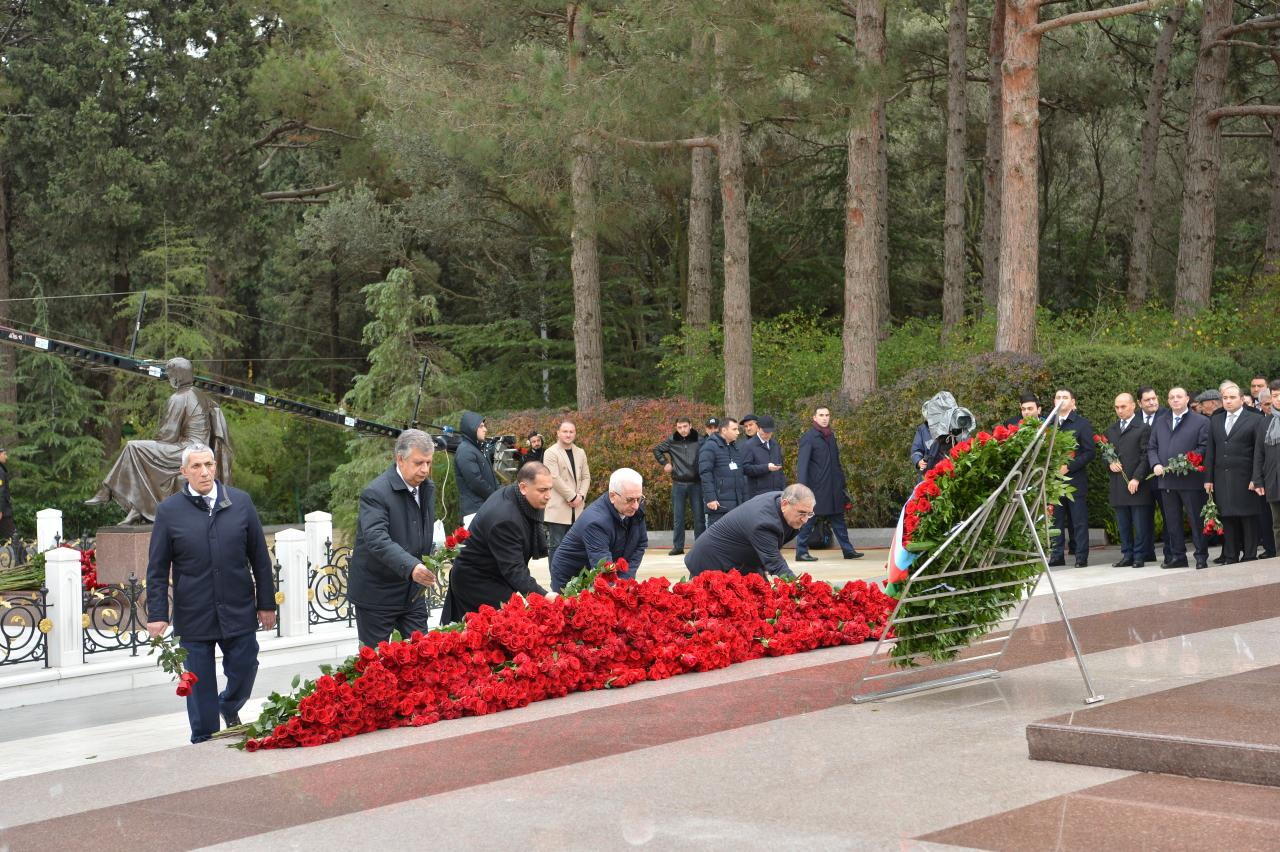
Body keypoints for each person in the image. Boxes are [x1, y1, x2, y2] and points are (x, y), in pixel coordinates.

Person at [145, 443, 275, 744]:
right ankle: (203, 739)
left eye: (209, 465)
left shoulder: (240, 502)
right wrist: (156, 614)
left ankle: (228, 704)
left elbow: (259, 557)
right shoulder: (169, 512)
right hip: (194, 614)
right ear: (184, 472)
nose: (205, 472)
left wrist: (266, 603)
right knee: (198, 684)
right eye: (196, 466)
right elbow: (157, 567)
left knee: (245, 666)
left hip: (238, 607)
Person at [88, 357, 233, 523]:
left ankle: (108, 491)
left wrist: (155, 441)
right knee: (138, 451)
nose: (169, 378)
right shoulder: (200, 395)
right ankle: (136, 508)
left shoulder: (179, 397)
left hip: (186, 450)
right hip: (198, 449)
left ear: (177, 376)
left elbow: (168, 435)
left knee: (133, 447)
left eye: (170, 374)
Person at [348, 429, 439, 648]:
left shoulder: (427, 488)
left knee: (421, 656)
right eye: (418, 463)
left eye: (428, 462)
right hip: (377, 595)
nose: (425, 469)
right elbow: (376, 538)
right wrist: (411, 566)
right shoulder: (376, 493)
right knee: (374, 666)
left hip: (412, 593)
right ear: (400, 459)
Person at [439, 462, 553, 623]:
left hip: (491, 575)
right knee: (502, 631)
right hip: (476, 582)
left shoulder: (516, 496)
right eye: (542, 490)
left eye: (550, 489)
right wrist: (545, 596)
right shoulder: (506, 519)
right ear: (523, 487)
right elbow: (514, 569)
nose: (548, 495)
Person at [685, 484, 815, 579]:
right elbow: (775, 564)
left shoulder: (784, 503)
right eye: (801, 513)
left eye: (809, 514)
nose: (805, 520)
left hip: (743, 561)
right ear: (784, 504)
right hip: (712, 562)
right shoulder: (763, 523)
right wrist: (799, 589)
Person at [549, 468, 648, 591]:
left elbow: (640, 544)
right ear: (612, 496)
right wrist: (618, 588)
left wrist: (625, 579)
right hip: (572, 578)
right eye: (630, 500)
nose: (636, 506)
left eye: (639, 499)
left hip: (600, 569)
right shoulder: (596, 522)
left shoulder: (635, 509)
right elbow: (603, 566)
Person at [1148, 387, 1211, 569]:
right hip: (1167, 480)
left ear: (1187, 399)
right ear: (1167, 401)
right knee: (1172, 521)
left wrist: (1184, 462)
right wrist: (1156, 464)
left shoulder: (1200, 421)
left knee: (1195, 520)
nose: (1175, 400)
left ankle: (1201, 556)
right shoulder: (1161, 422)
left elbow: (1203, 447)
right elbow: (1152, 447)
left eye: (1179, 397)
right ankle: (1178, 556)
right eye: (1172, 397)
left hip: (1190, 480)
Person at [1205, 382, 1264, 564]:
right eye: (1225, 398)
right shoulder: (1216, 420)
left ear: (1241, 399)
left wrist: (1256, 477)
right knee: (1227, 516)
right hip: (1222, 477)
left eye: (1232, 398)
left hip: (1246, 477)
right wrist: (1208, 479)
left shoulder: (1255, 419)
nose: (1228, 401)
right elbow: (1211, 451)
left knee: (1247, 517)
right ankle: (1230, 555)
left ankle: (1249, 554)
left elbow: (1258, 452)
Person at [794, 406, 862, 561]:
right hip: (816, 489)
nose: (825, 418)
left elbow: (836, 463)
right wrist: (802, 489)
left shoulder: (831, 437)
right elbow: (802, 466)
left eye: (827, 415)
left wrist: (842, 484)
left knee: (838, 519)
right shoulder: (809, 437)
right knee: (809, 519)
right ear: (814, 418)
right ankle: (801, 551)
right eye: (821, 415)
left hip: (834, 487)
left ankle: (848, 550)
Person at [1103, 393, 1153, 568]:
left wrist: (1137, 478)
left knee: (1139, 524)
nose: (1119, 410)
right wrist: (1109, 463)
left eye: (1123, 407)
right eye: (1117, 407)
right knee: (1123, 524)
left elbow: (1146, 456)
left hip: (1137, 484)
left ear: (1133, 406)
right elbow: (1105, 454)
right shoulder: (1111, 430)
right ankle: (1127, 554)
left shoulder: (1143, 428)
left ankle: (1139, 555)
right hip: (1118, 484)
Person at [1048, 388, 1096, 568]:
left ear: (1073, 402)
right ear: (1054, 402)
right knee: (1055, 520)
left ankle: (1081, 556)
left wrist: (1069, 467)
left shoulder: (1082, 424)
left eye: (1065, 397)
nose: (1061, 400)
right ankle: (1056, 554)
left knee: (1079, 521)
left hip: (1074, 480)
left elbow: (1089, 452)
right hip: (1054, 480)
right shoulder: (1048, 424)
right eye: (1058, 397)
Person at [652, 416, 703, 556]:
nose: (682, 430)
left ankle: (700, 546)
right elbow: (656, 450)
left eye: (685, 426)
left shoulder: (699, 439)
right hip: (678, 483)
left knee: (699, 516)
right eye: (679, 427)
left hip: (696, 482)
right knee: (678, 516)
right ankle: (678, 546)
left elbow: (709, 453)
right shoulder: (672, 440)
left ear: (690, 425)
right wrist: (665, 463)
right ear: (676, 428)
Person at [543, 420, 590, 560]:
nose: (568, 434)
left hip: (577, 508)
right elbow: (554, 477)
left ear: (575, 434)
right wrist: (572, 497)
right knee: (556, 547)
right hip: (559, 507)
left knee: (576, 548)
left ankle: (573, 581)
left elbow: (586, 477)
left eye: (571, 432)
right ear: (558, 433)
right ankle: (556, 581)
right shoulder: (550, 452)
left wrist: (580, 496)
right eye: (565, 431)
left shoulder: (580, 452)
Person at [1136, 386, 1168, 564]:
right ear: (1139, 403)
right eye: (1147, 400)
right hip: (1141, 476)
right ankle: (1147, 553)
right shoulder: (1136, 419)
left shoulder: (1166, 416)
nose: (1152, 402)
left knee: (1168, 515)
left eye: (1154, 398)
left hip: (1161, 474)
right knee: (1144, 517)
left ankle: (1170, 551)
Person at [911, 391, 974, 478]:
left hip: (951, 471)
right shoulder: (922, 430)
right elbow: (916, 450)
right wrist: (918, 461)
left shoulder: (952, 427)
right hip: (930, 472)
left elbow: (964, 444)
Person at [699, 417, 747, 527]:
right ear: (724, 431)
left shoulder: (734, 448)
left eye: (738, 429)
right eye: (734, 429)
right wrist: (711, 498)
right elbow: (705, 474)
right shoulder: (710, 447)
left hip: (736, 505)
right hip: (719, 506)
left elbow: (740, 476)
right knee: (717, 541)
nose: (738, 432)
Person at [455, 412, 499, 529]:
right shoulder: (465, 451)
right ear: (471, 428)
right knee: (477, 547)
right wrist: (496, 497)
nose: (485, 429)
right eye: (481, 426)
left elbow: (490, 478)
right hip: (474, 512)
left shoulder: (476, 449)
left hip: (483, 509)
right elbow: (476, 482)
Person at [1253, 379, 1280, 555]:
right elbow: (1259, 453)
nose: (1278, 399)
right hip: (1273, 479)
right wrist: (1258, 480)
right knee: (1277, 523)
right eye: (1275, 396)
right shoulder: (1266, 422)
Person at [741, 415, 784, 497]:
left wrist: (783, 490)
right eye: (765, 431)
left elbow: (781, 471)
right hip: (758, 495)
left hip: (777, 493)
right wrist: (766, 467)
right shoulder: (749, 445)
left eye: (770, 431)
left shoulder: (775, 445)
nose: (767, 434)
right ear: (758, 428)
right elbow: (745, 469)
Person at [0, 446, 13, 544]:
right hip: (3, 512)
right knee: (12, 535)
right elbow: (1, 491)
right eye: (4, 454)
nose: (6, 457)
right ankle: (25, 558)